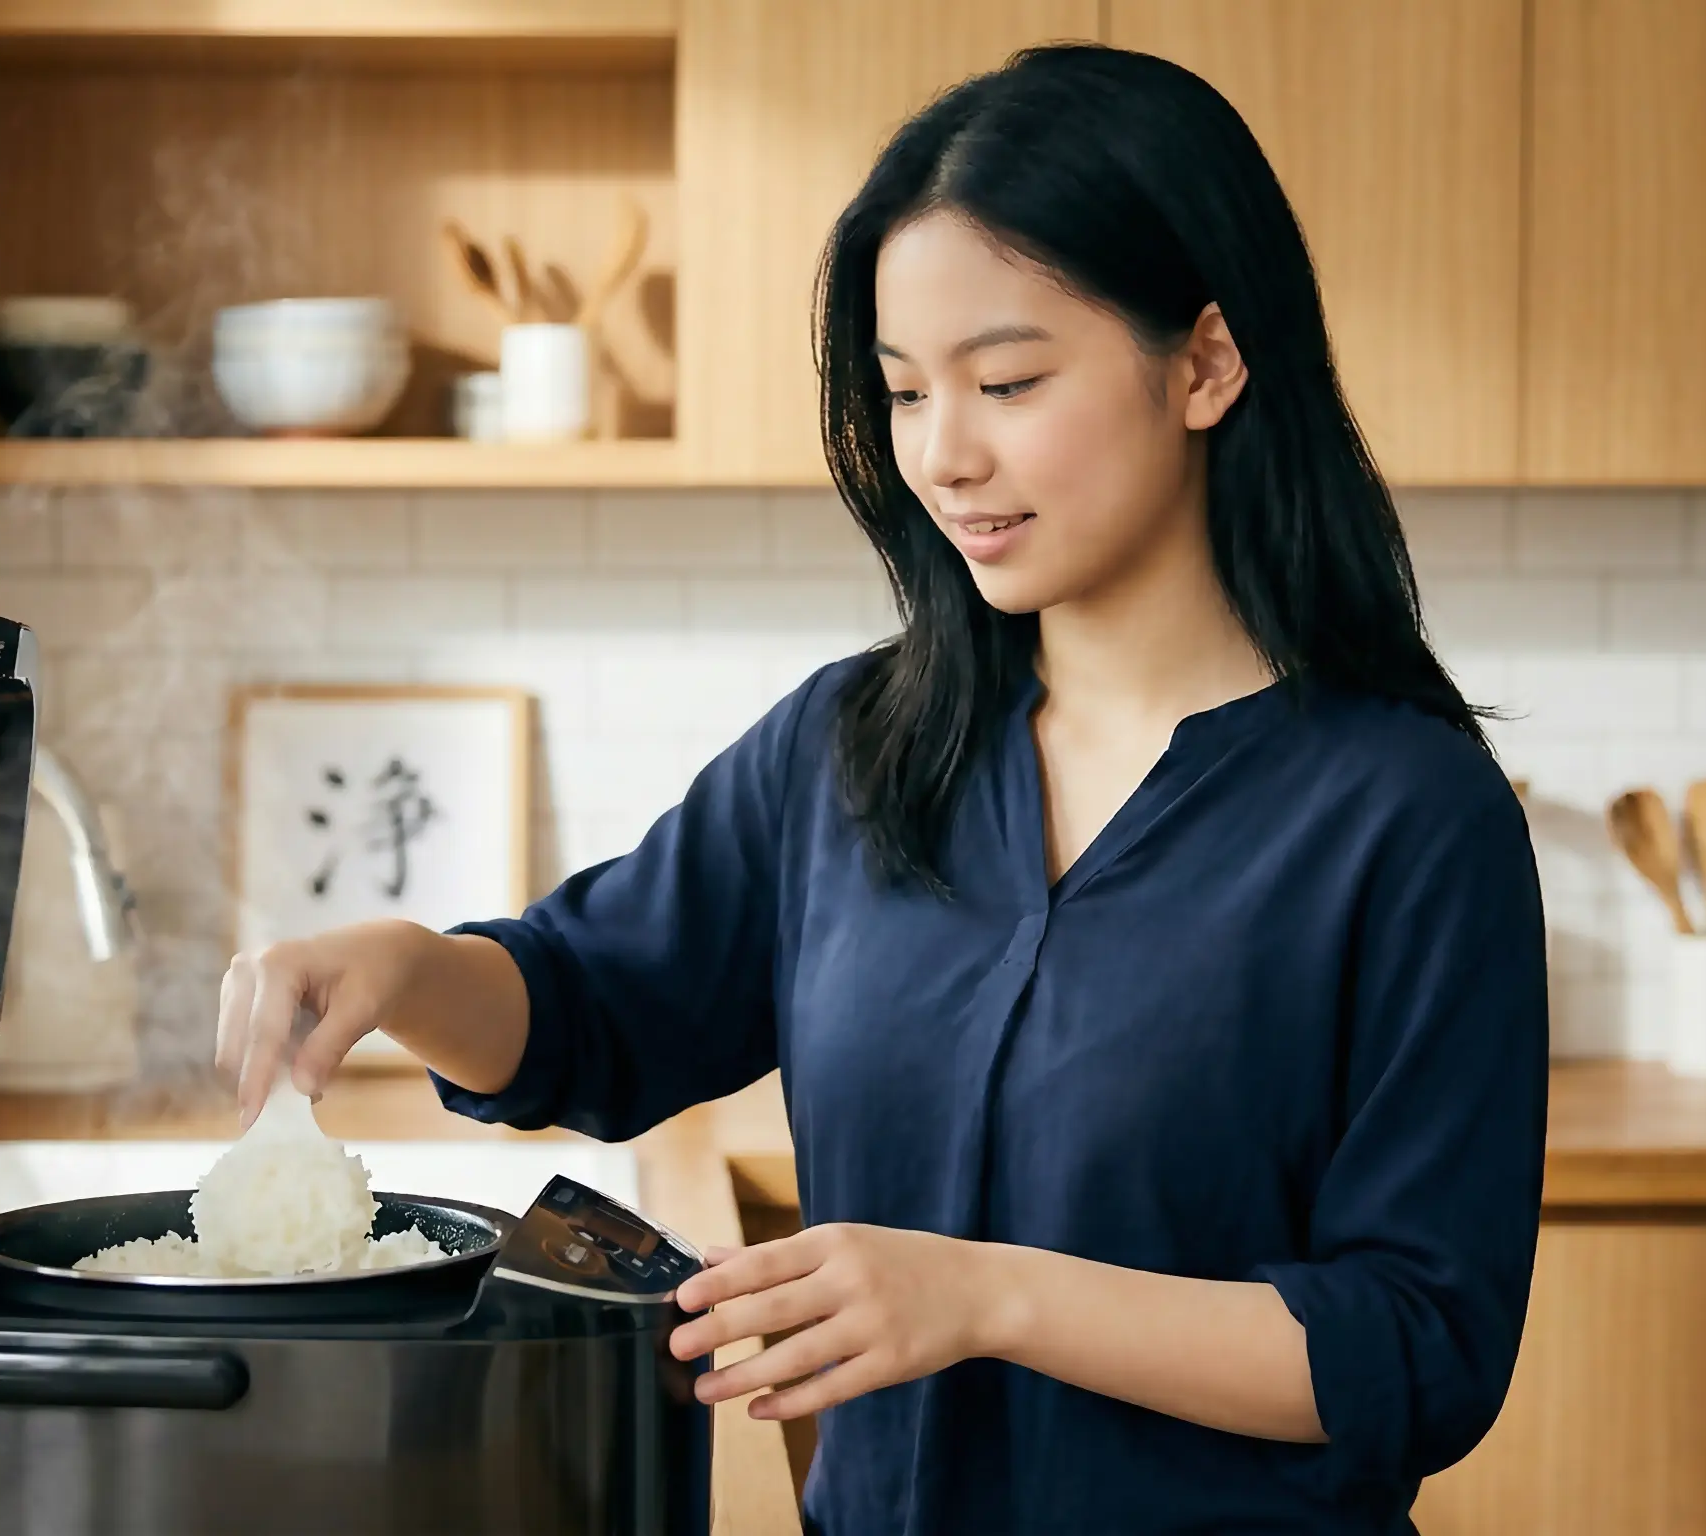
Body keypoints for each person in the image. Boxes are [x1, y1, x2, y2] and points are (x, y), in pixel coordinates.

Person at [213, 41, 1547, 1536]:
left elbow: (1417, 1346)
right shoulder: (853, 747)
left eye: (1008, 382)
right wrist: (402, 969)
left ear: (1205, 363)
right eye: (905, 393)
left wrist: (986, 1297)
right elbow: (590, 1007)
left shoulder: (1410, 818)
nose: (944, 454)